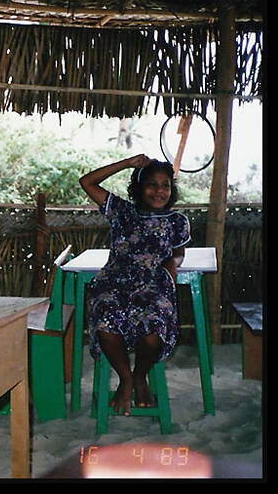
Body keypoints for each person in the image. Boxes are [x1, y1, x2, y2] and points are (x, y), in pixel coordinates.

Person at [79, 154, 190, 416]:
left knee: (154, 329)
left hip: (153, 285)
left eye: (165, 185)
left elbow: (178, 253)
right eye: (152, 184)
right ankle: (126, 379)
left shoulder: (177, 221)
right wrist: (127, 163)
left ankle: (139, 376)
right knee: (105, 318)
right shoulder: (122, 212)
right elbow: (87, 182)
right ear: (139, 187)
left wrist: (171, 267)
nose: (159, 191)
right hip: (114, 283)